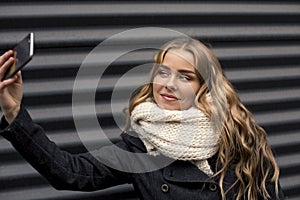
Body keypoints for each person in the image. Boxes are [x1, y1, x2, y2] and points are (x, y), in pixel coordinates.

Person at [0, 37, 284, 199]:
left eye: (185, 77)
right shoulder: (139, 146)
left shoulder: (238, 133)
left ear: (204, 87)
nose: (169, 84)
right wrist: (15, 112)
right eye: (163, 72)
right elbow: (69, 173)